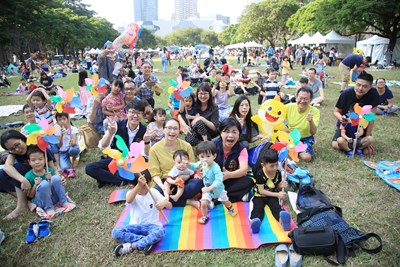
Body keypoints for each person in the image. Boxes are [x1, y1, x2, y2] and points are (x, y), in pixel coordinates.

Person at [85, 101, 150, 188]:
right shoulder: (117, 126)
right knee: (90, 168)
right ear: (126, 113)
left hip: (133, 163)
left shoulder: (145, 130)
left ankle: (107, 179)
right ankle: (121, 180)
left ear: (142, 115)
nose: (135, 116)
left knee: (143, 175)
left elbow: (146, 155)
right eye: (133, 112)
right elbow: (102, 146)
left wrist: (147, 142)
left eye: (139, 113)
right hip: (116, 160)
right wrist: (110, 133)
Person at [0, 130, 57, 220]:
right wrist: (23, 180)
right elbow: (7, 167)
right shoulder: (14, 153)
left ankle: (23, 205)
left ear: (21, 138)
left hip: (43, 181)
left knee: (17, 168)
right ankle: (26, 203)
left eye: (17, 145)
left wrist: (58, 177)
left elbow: (53, 168)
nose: (17, 150)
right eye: (12, 149)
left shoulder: (38, 146)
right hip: (29, 183)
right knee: (2, 174)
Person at [112, 173, 171, 257]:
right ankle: (146, 242)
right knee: (115, 232)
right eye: (143, 187)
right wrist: (138, 186)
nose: (147, 189)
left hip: (153, 226)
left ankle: (132, 246)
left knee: (160, 231)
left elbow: (169, 205)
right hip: (135, 226)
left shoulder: (153, 192)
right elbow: (128, 200)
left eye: (148, 185)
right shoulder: (131, 193)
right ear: (133, 187)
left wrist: (163, 203)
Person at [149, 118, 203, 208]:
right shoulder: (154, 149)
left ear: (179, 131)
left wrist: (181, 178)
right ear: (163, 129)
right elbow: (155, 174)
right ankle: (188, 201)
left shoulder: (186, 146)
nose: (172, 131)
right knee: (154, 195)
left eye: (175, 128)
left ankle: (173, 199)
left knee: (198, 183)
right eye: (169, 128)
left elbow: (191, 167)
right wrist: (164, 187)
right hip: (166, 181)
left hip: (184, 179)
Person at [332, 72, 379, 156]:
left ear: (370, 87)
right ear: (355, 83)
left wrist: (367, 136)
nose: (360, 88)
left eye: (365, 86)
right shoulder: (346, 93)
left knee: (368, 152)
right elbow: (336, 111)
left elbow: (371, 117)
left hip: (361, 125)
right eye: (358, 85)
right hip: (347, 125)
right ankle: (350, 149)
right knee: (335, 145)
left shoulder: (373, 93)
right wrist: (341, 118)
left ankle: (355, 148)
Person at [25, 146, 75, 218]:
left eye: (40, 159)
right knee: (44, 184)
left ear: (45, 160)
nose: (37, 162)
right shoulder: (28, 176)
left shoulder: (49, 171)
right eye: (33, 160)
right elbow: (30, 196)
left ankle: (64, 202)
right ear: (29, 162)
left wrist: (53, 179)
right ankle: (49, 208)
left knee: (56, 178)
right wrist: (36, 185)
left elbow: (60, 185)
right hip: (41, 201)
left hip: (54, 198)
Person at [213, 118, 254, 202]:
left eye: (234, 132)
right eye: (227, 131)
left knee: (248, 181)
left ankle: (217, 199)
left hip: (230, 179)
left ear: (239, 134)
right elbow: (204, 163)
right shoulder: (213, 145)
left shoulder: (241, 149)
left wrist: (229, 175)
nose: (230, 135)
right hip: (213, 179)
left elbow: (244, 170)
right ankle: (236, 197)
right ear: (221, 133)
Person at [249, 149, 291, 233]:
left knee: (276, 207)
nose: (275, 168)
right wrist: (277, 195)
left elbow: (277, 185)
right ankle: (256, 222)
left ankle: (282, 219)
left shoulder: (278, 173)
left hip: (272, 195)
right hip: (260, 196)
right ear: (263, 165)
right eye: (272, 166)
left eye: (276, 164)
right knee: (257, 208)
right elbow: (261, 191)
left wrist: (281, 185)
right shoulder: (260, 174)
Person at [196, 141, 236, 224]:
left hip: (218, 190)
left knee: (225, 201)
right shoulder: (202, 164)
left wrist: (209, 188)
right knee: (203, 203)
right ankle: (204, 216)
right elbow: (193, 166)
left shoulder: (215, 167)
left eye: (208, 156)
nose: (205, 159)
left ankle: (230, 207)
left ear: (214, 156)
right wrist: (186, 164)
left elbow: (218, 180)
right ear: (199, 157)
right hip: (208, 190)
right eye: (202, 157)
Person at [285, 87, 320, 162]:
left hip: (305, 138)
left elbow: (313, 132)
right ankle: (292, 146)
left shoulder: (315, 111)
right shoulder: (288, 107)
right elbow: (277, 118)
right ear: (296, 98)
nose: (302, 101)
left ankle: (293, 147)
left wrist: (310, 121)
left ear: (310, 100)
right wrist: (282, 127)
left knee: (306, 158)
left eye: (306, 99)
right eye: (300, 98)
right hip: (290, 135)